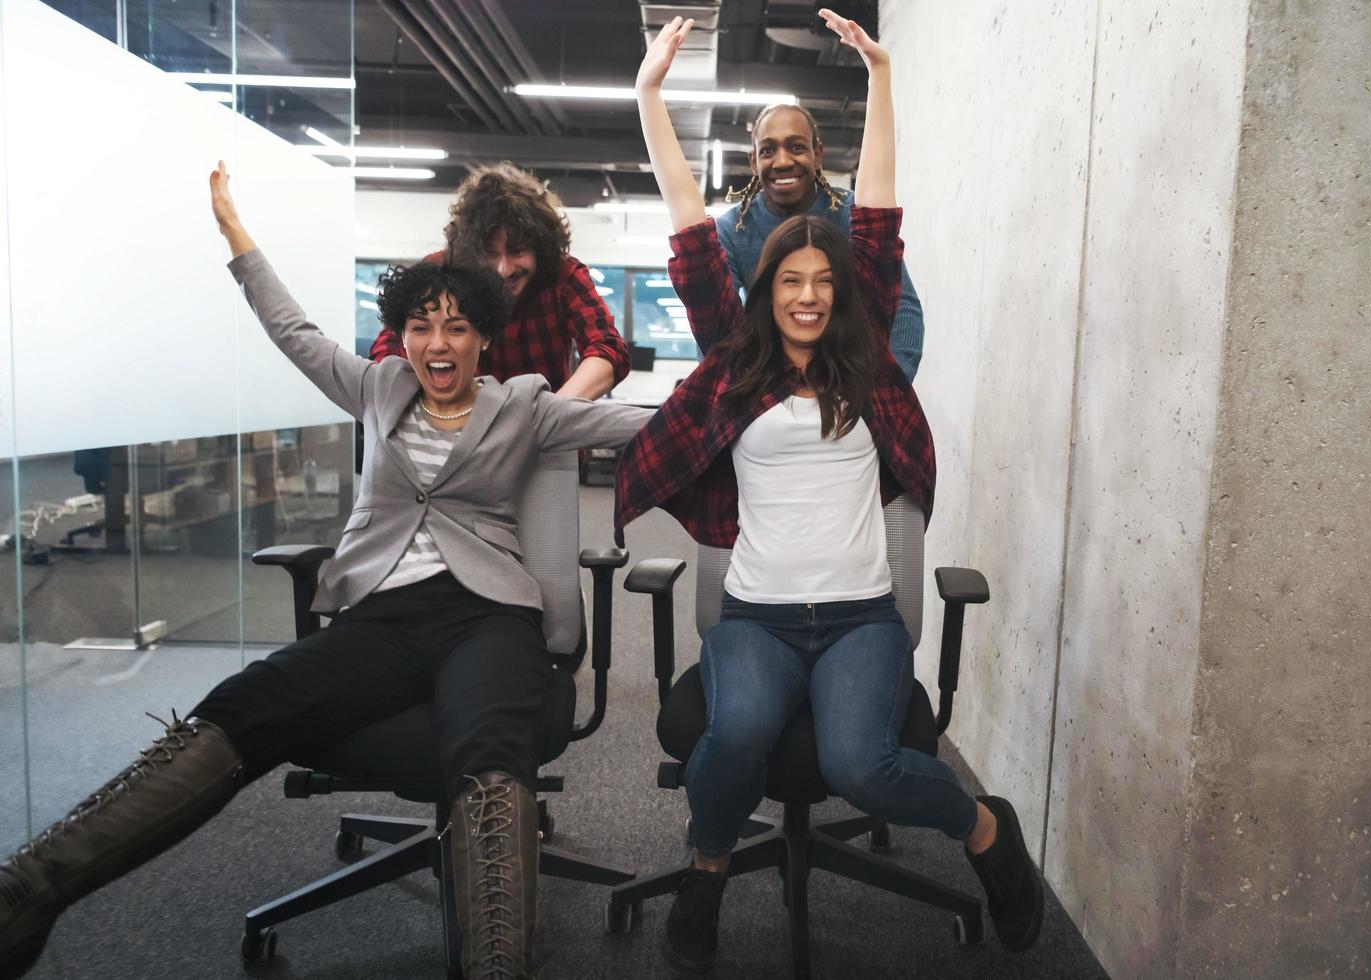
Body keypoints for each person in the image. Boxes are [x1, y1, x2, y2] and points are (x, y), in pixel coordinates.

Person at [0, 163, 653, 980]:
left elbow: (639, 421)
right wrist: (239, 238)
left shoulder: (524, 403)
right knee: (244, 702)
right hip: (380, 612)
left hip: (489, 613)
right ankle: (29, 888)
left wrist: (765, 392)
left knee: (489, 749)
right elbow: (294, 332)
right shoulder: (377, 385)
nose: (437, 344)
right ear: (402, 334)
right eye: (422, 326)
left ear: (483, 335)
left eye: (456, 328)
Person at [615, 13, 1044, 974]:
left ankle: (986, 836)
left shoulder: (869, 365)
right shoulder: (738, 365)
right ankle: (710, 868)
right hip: (758, 618)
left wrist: (882, 76)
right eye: (790, 281)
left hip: (857, 620)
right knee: (731, 740)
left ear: (840, 290)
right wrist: (650, 98)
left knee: (864, 765)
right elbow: (690, 230)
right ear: (765, 289)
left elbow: (882, 217)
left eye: (822, 280)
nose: (808, 295)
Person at [371, 161, 630, 399]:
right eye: (490, 253)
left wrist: (551, 415)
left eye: (518, 251)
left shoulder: (564, 276)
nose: (504, 269)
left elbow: (608, 349)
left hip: (546, 439)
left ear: (540, 248)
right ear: (471, 251)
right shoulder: (442, 272)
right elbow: (388, 346)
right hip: (460, 437)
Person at [717, 99, 925, 381]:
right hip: (771, 383)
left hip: (850, 377)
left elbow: (902, 308)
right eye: (768, 150)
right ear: (754, 162)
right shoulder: (732, 230)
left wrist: (889, 388)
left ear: (817, 154)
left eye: (796, 147)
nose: (782, 161)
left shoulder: (855, 216)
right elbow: (718, 326)